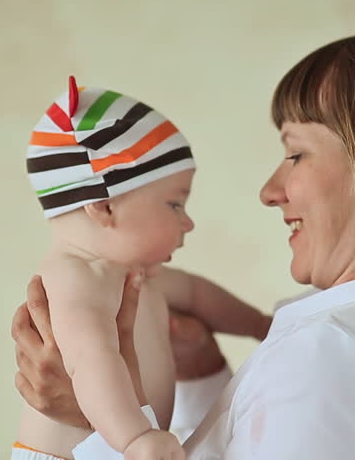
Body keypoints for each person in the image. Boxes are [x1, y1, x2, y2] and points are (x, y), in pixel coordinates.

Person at [12, 25, 355, 460]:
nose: (269, 191)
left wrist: (92, 429)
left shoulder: (330, 351)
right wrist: (205, 377)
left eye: (295, 153)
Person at [14, 77, 271, 460]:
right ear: (104, 207)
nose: (188, 223)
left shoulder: (134, 275)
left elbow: (198, 295)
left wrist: (261, 325)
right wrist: (134, 437)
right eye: (174, 205)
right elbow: (90, 359)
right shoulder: (76, 277)